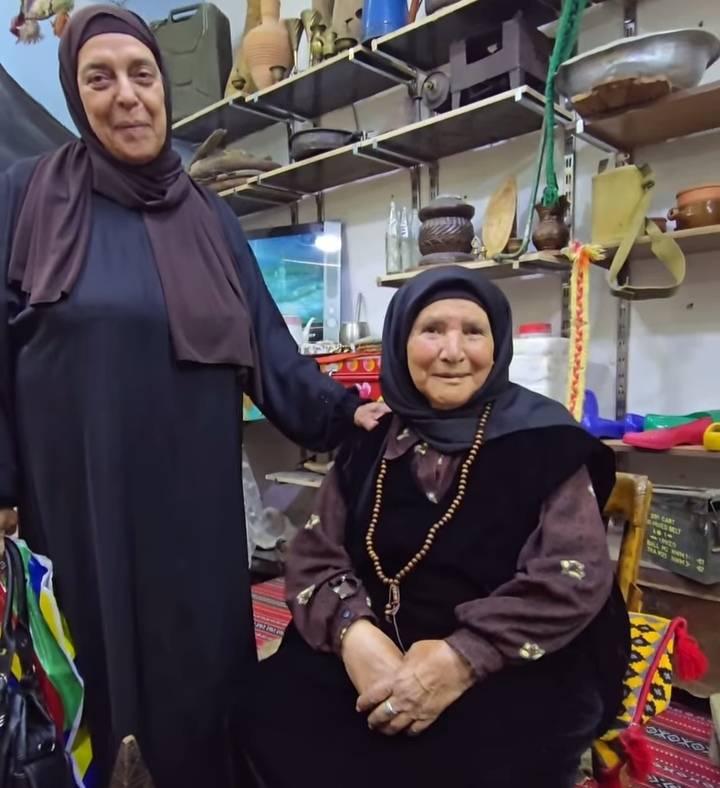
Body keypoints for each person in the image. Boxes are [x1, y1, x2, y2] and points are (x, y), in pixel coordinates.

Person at [0, 6, 387, 787]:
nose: (127, 95)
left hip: (194, 511)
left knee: (199, 683)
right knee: (88, 672)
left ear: (164, 88)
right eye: (99, 78)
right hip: (77, 503)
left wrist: (352, 413)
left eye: (141, 74)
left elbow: (273, 356)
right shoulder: (29, 195)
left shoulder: (211, 219)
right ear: (76, 95)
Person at [245, 266, 631, 788]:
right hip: (373, 640)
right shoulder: (370, 438)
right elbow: (315, 554)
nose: (453, 351)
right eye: (432, 330)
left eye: (473, 332)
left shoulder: (547, 439)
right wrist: (355, 635)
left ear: (498, 345)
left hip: (512, 656)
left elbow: (572, 575)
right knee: (262, 716)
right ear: (400, 343)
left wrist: (460, 658)